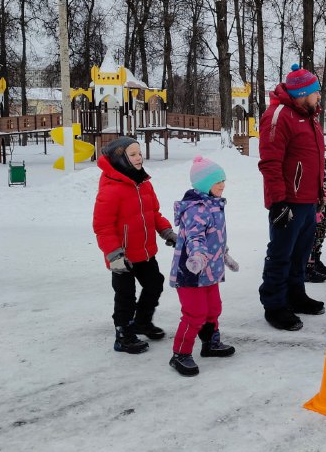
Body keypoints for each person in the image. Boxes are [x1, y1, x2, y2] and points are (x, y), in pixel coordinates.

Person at [92, 136, 177, 354]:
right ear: (120, 159)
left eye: (139, 153)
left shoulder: (144, 184)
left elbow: (153, 213)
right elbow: (103, 226)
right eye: (132, 155)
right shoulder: (111, 189)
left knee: (154, 283)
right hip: (122, 257)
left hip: (145, 251)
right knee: (125, 296)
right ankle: (124, 335)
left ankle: (142, 321)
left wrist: (166, 231)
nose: (139, 157)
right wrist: (114, 255)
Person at [258, 63, 326, 331]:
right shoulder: (278, 116)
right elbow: (270, 162)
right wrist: (278, 202)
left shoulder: (308, 116)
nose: (319, 96)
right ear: (303, 93)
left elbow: (313, 160)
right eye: (316, 92)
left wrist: (320, 193)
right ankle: (274, 304)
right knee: (281, 254)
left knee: (301, 254)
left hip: (308, 200)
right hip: (288, 201)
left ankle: (295, 295)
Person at [168, 156, 238, 376]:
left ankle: (210, 344)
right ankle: (180, 353)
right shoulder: (196, 209)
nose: (222, 185)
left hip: (210, 271)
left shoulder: (214, 205)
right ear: (204, 184)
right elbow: (195, 238)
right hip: (191, 272)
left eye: (223, 180)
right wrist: (197, 257)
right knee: (195, 313)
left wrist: (224, 255)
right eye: (218, 181)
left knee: (213, 309)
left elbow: (215, 237)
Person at [305, 160, 326, 283]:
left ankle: (316, 262)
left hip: (323, 206)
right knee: (310, 238)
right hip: (312, 205)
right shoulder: (309, 160)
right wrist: (315, 210)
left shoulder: (322, 161)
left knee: (320, 235)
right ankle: (307, 268)